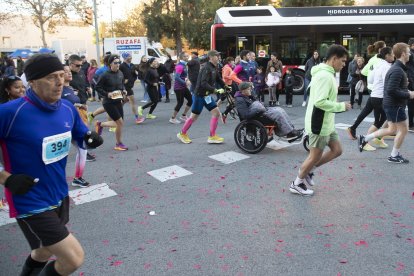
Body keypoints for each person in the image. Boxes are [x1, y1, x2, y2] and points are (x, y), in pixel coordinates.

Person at [0, 53, 102, 276]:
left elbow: (80, 134)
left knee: (43, 251)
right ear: (33, 82)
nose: (59, 82)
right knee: (73, 258)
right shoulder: (9, 113)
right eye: (50, 77)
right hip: (29, 199)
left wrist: (89, 137)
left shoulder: (66, 107)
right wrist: (6, 178)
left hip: (58, 193)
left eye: (60, 76)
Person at [290, 45, 351, 196]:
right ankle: (296, 183)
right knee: (314, 156)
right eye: (342, 61)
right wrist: (341, 106)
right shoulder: (324, 76)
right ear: (334, 59)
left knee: (337, 150)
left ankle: (309, 172)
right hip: (319, 123)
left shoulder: (327, 73)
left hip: (327, 123)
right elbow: (319, 102)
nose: (344, 65)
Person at [358, 43, 414, 163]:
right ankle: (394, 155)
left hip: (391, 104)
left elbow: (392, 88)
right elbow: (391, 90)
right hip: (395, 105)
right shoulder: (397, 70)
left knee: (392, 129)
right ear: (403, 54)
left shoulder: (396, 68)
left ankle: (365, 138)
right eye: (408, 52)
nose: (410, 54)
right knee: (403, 130)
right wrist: (409, 94)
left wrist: (407, 90)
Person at [177, 50, 226, 144]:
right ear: (211, 57)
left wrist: (225, 86)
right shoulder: (206, 68)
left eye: (219, 56)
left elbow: (218, 79)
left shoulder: (214, 67)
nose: (219, 58)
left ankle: (212, 136)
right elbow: (203, 83)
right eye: (217, 56)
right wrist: (215, 90)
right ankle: (182, 134)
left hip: (206, 96)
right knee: (194, 117)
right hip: (199, 95)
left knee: (216, 113)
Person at [62, 65, 95, 187]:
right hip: (64, 126)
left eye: (69, 71)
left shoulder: (70, 88)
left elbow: (73, 103)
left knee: (82, 149)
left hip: (75, 125)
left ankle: (78, 177)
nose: (69, 73)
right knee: (59, 156)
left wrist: (81, 106)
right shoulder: (58, 90)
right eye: (65, 72)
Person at [346, 41, 387, 140]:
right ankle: (370, 138)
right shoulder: (382, 61)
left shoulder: (372, 59)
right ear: (381, 49)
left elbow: (364, 71)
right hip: (378, 91)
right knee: (381, 117)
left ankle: (353, 128)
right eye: (385, 48)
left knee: (367, 111)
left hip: (372, 89)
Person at [235, 81, 303, 139]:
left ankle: (291, 130)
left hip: (261, 111)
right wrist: (258, 109)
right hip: (257, 115)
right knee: (278, 113)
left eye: (250, 89)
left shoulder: (247, 96)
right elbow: (245, 115)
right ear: (243, 91)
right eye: (249, 89)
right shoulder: (240, 100)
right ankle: (288, 132)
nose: (251, 90)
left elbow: (256, 100)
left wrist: (252, 95)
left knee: (280, 109)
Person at [357, 47, 394, 152]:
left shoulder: (377, 64)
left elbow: (371, 79)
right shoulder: (386, 67)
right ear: (387, 55)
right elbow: (386, 84)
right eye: (392, 54)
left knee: (382, 119)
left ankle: (377, 138)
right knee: (383, 120)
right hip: (380, 97)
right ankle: (365, 141)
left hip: (375, 95)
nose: (393, 56)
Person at [95, 55, 129, 151]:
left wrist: (124, 90)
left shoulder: (120, 73)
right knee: (120, 123)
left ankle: (100, 124)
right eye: (115, 63)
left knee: (119, 123)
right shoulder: (105, 75)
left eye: (119, 62)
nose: (118, 64)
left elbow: (121, 85)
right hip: (108, 102)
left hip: (118, 100)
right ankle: (118, 143)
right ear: (110, 64)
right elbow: (97, 87)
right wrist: (107, 94)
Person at [169, 52, 192, 124]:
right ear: (182, 57)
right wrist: (185, 82)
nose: (187, 57)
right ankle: (173, 118)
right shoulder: (180, 66)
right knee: (180, 103)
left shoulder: (184, 65)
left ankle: (183, 115)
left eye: (187, 56)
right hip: (178, 88)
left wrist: (187, 79)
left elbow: (184, 76)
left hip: (183, 87)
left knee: (191, 100)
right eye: (185, 56)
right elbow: (177, 77)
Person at [119, 52, 141, 123]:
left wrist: (136, 75)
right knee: (132, 101)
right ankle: (137, 118)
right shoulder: (121, 66)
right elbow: (117, 75)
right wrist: (123, 81)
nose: (131, 58)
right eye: (129, 57)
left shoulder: (132, 65)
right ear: (125, 58)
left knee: (124, 101)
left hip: (130, 85)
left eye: (131, 57)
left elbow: (134, 74)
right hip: (125, 87)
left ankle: (116, 111)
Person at [406, 38, 414, 132]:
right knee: (411, 103)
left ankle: (411, 123)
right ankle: (411, 124)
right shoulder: (411, 54)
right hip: (411, 81)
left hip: (411, 79)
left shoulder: (411, 53)